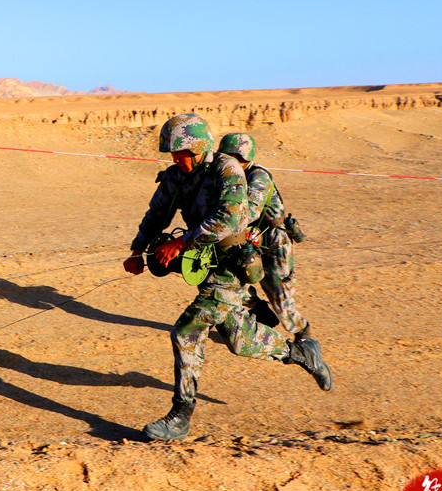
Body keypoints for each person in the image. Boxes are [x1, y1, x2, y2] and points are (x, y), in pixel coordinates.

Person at [123, 114, 332, 441]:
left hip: (232, 264)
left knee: (187, 329)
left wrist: (182, 241)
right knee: (238, 340)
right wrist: (138, 249)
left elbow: (232, 217)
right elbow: (157, 213)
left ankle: (180, 415)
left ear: (199, 147)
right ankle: (301, 353)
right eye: (173, 155)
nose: (177, 160)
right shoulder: (177, 176)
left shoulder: (226, 169)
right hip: (207, 264)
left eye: (182, 154)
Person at [217, 132, 315, 341]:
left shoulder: (258, 176)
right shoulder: (229, 176)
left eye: (232, 158)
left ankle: (301, 331)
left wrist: (222, 224)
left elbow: (250, 210)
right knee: (231, 281)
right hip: (247, 236)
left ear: (243, 158)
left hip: (273, 240)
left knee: (279, 293)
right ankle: (260, 311)